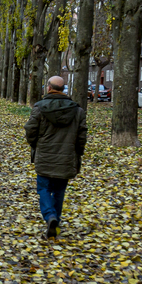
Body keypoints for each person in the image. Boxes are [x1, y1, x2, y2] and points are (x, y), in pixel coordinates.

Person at [24, 75, 87, 239]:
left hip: (45, 156)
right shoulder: (77, 111)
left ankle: (50, 217)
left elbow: (30, 130)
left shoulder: (39, 108)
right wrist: (78, 153)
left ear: (49, 88)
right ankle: (55, 223)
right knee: (59, 191)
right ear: (63, 89)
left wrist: (35, 145)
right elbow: (82, 136)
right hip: (66, 158)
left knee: (43, 189)